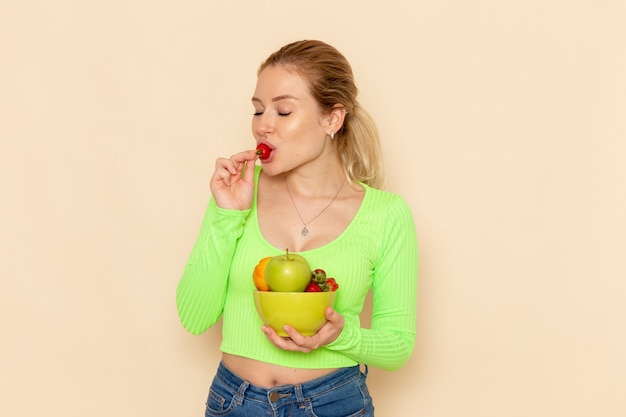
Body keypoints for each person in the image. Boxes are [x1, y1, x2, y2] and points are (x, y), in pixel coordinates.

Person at [176, 39, 418, 417]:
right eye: (258, 111)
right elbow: (195, 317)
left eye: (283, 111)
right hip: (234, 402)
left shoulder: (386, 214)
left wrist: (344, 336)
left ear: (332, 119)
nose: (263, 126)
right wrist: (227, 216)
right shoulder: (238, 191)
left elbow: (399, 345)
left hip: (335, 403)